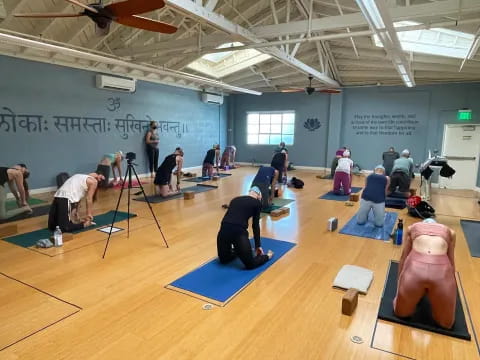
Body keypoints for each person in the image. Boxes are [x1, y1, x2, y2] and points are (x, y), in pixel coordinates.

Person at [394, 218, 457, 329]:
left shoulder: (412, 228)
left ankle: (418, 292)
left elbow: (403, 258)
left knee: (401, 314)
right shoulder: (450, 232)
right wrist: (452, 290)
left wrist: (399, 286)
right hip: (441, 272)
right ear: (437, 224)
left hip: (415, 270)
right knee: (446, 324)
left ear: (422, 223)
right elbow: (451, 265)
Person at [217, 187, 274, 269]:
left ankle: (239, 250)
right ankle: (268, 256)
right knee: (251, 264)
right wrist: (258, 246)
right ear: (259, 196)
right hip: (238, 233)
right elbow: (255, 226)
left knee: (223, 259)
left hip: (224, 230)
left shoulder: (235, 199)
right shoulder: (257, 203)